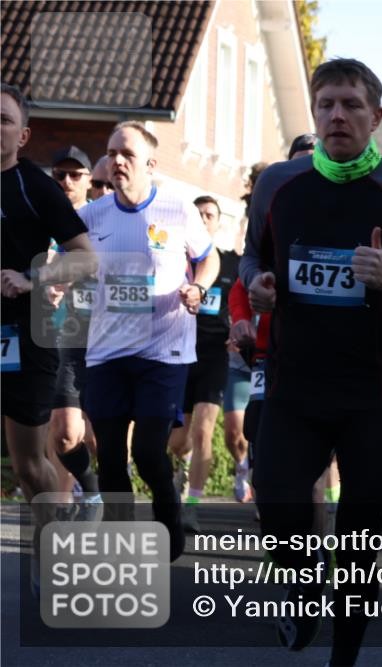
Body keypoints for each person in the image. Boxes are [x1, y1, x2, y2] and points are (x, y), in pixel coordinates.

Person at [240, 58, 382, 665]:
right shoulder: (277, 185)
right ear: (314, 114)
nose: (337, 115)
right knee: (275, 499)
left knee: (359, 547)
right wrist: (256, 282)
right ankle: (306, 589)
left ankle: (344, 659)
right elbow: (250, 259)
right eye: (326, 104)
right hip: (294, 382)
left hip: (374, 394)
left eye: (351, 105)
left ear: (376, 117)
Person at [81, 121, 219, 561]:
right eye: (111, 152)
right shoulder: (92, 215)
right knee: (110, 458)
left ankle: (167, 517)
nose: (116, 161)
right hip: (107, 349)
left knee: (146, 450)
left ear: (150, 164)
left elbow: (208, 258)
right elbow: (59, 256)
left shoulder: (179, 208)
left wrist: (197, 288)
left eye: (127, 154)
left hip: (165, 348)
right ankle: (123, 545)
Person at [1, 83, 97, 587]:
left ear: (23, 135)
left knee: (30, 466)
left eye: (2, 120)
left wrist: (30, 278)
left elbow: (85, 257)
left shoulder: (33, 186)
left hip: (24, 333)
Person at [168, 195, 243, 531]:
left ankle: (191, 506)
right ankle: (182, 466)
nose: (203, 218)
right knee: (177, 442)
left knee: (203, 431)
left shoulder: (229, 264)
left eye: (209, 215)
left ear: (217, 222)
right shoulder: (173, 260)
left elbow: (243, 302)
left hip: (214, 354)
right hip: (178, 352)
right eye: (198, 214)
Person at [46, 146, 102, 515]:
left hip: (97, 336)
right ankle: (67, 501)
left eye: (75, 175)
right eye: (60, 175)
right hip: (50, 335)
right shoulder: (39, 217)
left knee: (100, 433)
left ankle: (105, 487)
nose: (66, 181)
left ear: (88, 181)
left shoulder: (98, 221)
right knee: (62, 430)